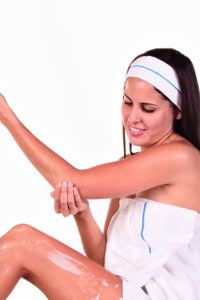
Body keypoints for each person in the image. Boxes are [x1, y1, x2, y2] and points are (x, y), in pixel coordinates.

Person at [0, 47, 200, 300]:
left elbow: (73, 181)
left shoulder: (182, 158)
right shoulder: (130, 167)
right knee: (21, 242)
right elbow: (104, 265)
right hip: (125, 292)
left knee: (21, 243)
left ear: (178, 111)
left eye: (148, 109)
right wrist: (83, 214)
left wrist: (7, 118)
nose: (133, 117)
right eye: (128, 103)